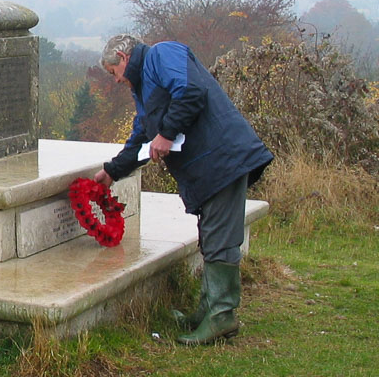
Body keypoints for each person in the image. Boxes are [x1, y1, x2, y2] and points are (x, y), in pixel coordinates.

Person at [93, 34, 273, 345]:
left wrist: (166, 133)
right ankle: (208, 310)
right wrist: (111, 171)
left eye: (113, 73)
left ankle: (222, 316)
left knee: (220, 238)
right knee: (212, 235)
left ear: (122, 57)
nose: (117, 81)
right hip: (208, 169)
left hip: (223, 159)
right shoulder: (144, 86)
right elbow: (141, 137)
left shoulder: (163, 55)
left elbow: (191, 91)